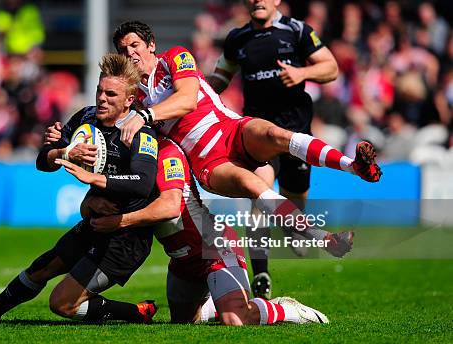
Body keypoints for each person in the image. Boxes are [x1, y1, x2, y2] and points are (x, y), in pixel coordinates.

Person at [112, 20, 371, 298]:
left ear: (151, 45)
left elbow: (187, 99)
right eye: (123, 49)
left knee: (275, 134)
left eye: (135, 45)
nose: (130, 53)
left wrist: (145, 115)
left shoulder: (176, 56)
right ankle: (324, 239)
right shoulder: (131, 96)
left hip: (230, 129)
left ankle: (352, 166)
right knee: (254, 186)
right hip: (207, 162)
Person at [0, 53, 159, 324]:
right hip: (96, 222)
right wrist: (65, 152)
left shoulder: (140, 133)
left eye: (111, 94)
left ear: (129, 100)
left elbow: (143, 183)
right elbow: (43, 160)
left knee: (62, 304)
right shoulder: (86, 117)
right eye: (99, 91)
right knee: (40, 269)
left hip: (127, 236)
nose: (102, 98)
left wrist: (96, 181)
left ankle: (133, 313)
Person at [89, 136, 329, 326]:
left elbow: (170, 207)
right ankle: (226, 299)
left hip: (213, 247)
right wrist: (90, 204)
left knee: (236, 320)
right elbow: (90, 201)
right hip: (182, 259)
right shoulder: (125, 156)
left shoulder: (166, 151)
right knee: (184, 321)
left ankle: (285, 308)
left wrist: (121, 220)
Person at [206, 0, 340, 296]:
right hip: (256, 138)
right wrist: (196, 91)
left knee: (296, 202)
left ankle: (294, 228)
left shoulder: (296, 31)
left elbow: (331, 68)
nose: (257, 1)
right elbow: (220, 77)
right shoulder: (237, 38)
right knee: (261, 199)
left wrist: (302, 74)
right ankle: (262, 274)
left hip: (295, 137)